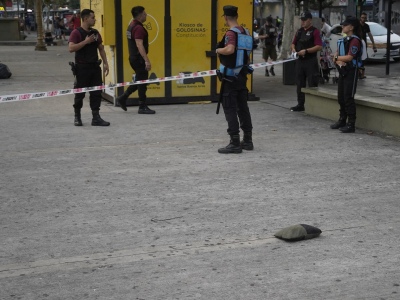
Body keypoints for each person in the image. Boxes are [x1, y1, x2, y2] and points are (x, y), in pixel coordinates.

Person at [215, 5, 254, 154]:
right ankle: (248, 140)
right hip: (242, 76)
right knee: (242, 107)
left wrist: (218, 50)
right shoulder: (246, 32)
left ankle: (235, 142)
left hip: (230, 77)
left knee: (230, 108)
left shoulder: (231, 33)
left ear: (225, 17)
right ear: (236, 16)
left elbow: (230, 49)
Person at [68, 9, 110, 126]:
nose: (94, 19)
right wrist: (85, 42)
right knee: (80, 94)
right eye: (92, 17)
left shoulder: (95, 33)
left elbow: (101, 48)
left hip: (94, 67)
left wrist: (106, 63)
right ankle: (77, 116)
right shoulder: (76, 33)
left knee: (96, 93)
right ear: (86, 18)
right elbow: (71, 48)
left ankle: (96, 117)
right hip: (82, 68)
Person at [115, 6, 155, 114]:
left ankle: (123, 98)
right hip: (138, 59)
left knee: (139, 80)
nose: (146, 15)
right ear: (140, 15)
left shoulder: (131, 25)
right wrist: (146, 60)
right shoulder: (138, 28)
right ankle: (142, 106)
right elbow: (139, 44)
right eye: (144, 14)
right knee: (142, 82)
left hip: (133, 57)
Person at [330, 16, 363, 133]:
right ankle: (342, 119)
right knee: (341, 97)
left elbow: (349, 57)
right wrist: (337, 58)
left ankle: (351, 124)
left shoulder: (355, 40)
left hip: (351, 71)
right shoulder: (345, 39)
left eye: (345, 25)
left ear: (351, 27)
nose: (343, 27)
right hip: (342, 71)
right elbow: (337, 54)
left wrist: (337, 57)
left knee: (348, 97)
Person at [290, 11, 322, 112]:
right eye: (302, 20)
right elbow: (293, 43)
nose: (302, 22)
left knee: (312, 82)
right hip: (300, 61)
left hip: (310, 60)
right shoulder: (299, 31)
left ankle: (314, 105)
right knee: (299, 83)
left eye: (305, 20)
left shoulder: (314, 31)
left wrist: (306, 51)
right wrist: (294, 49)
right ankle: (300, 104)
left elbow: (319, 46)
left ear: (310, 20)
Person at [359, 12, 377, 79]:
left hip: (364, 44)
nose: (363, 19)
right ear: (360, 18)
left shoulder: (366, 26)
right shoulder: (357, 25)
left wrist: (373, 44)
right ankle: (358, 72)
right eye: (362, 17)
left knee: (363, 59)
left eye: (365, 18)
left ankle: (362, 74)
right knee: (358, 58)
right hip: (357, 43)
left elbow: (370, 34)